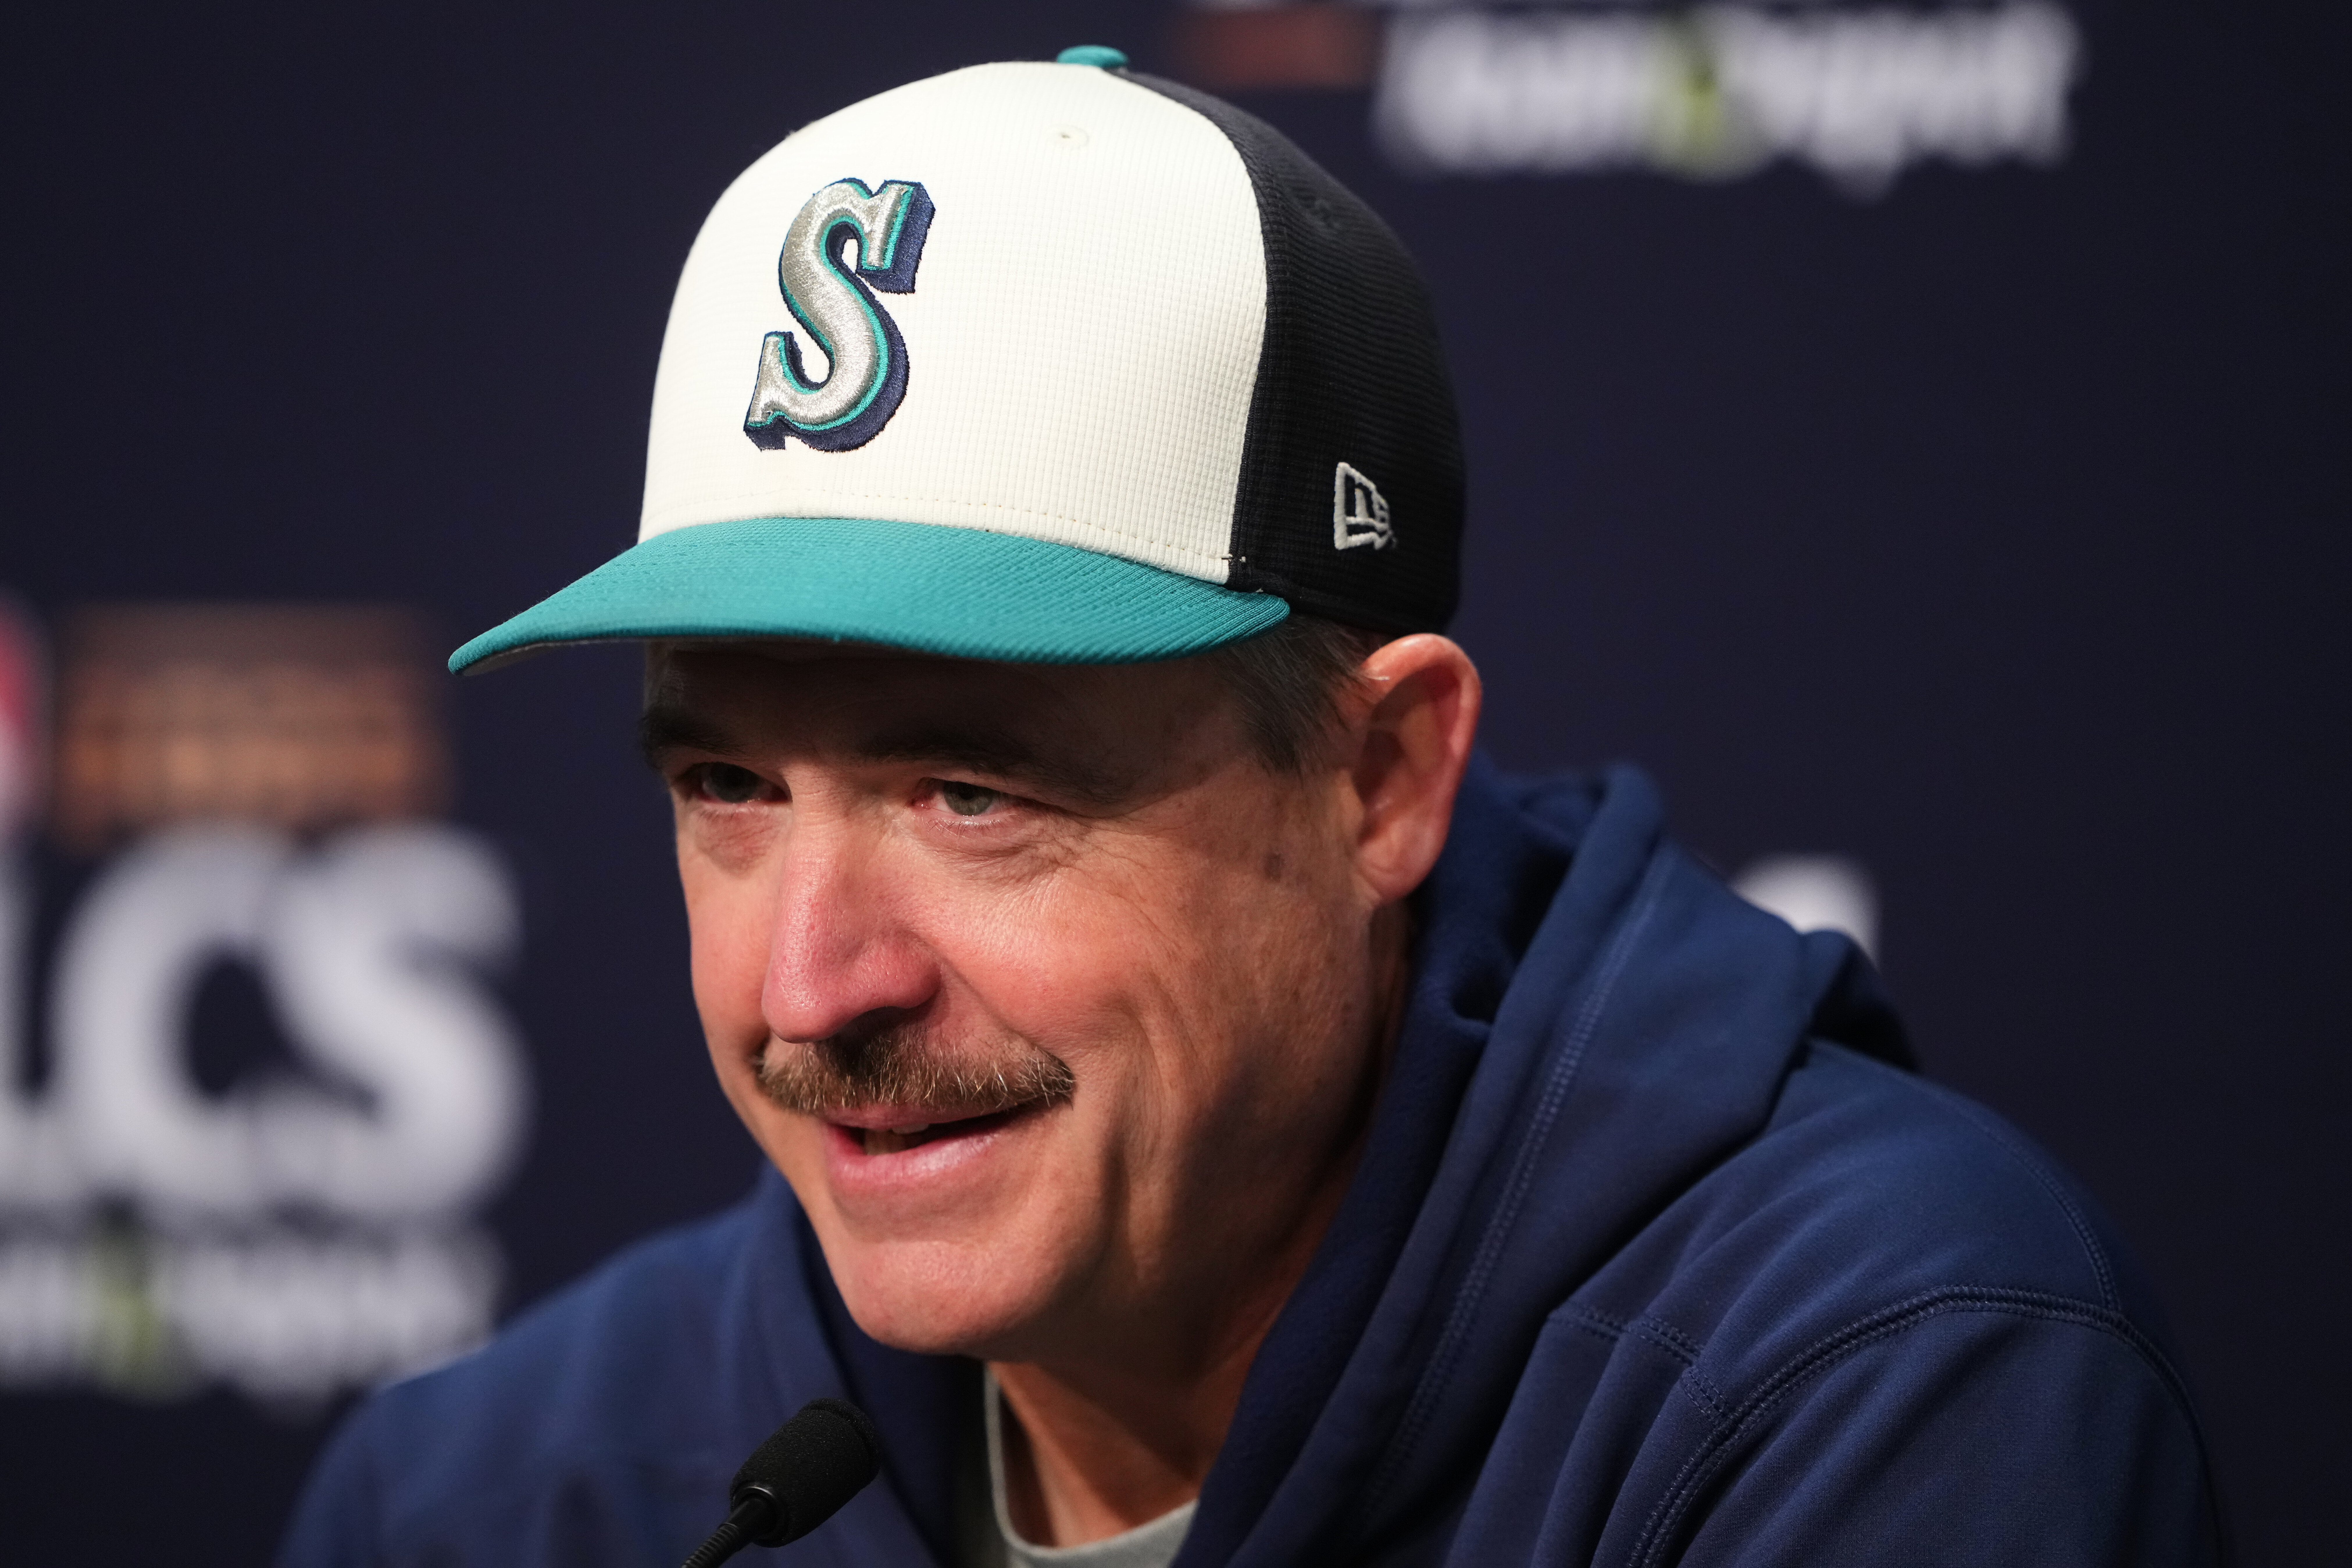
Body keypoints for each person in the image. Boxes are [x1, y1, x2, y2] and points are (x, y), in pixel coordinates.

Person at [280, 48, 2223, 1568]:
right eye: (728, 786)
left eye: (972, 790)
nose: (810, 983)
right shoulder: (497, 1501)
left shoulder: (1880, 1394)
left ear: (1381, 778)